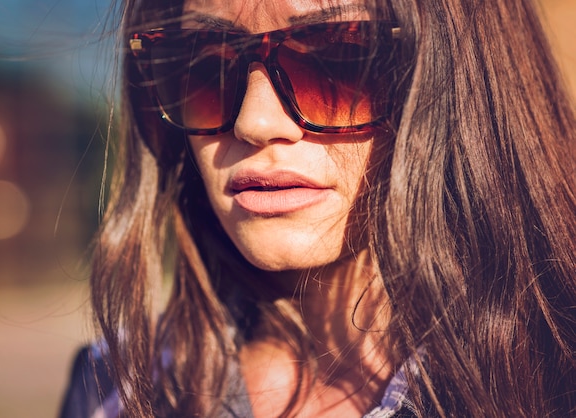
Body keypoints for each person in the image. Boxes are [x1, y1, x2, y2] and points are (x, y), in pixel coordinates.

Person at [60, 0, 576, 416]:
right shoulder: (114, 392)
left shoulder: (556, 378)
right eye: (204, 62)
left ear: (463, 76)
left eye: (338, 56)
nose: (256, 123)